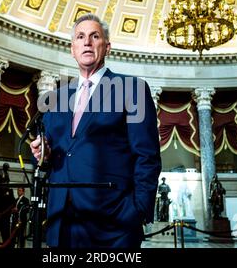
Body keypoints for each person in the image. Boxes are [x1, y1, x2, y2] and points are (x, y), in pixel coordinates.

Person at [30, 13, 162, 248]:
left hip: (114, 224)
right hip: (62, 223)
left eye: (94, 36)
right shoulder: (56, 99)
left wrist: (137, 210)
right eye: (80, 37)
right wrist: (44, 155)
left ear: (107, 46)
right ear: (73, 49)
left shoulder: (133, 89)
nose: (87, 42)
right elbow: (49, 159)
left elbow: (147, 156)